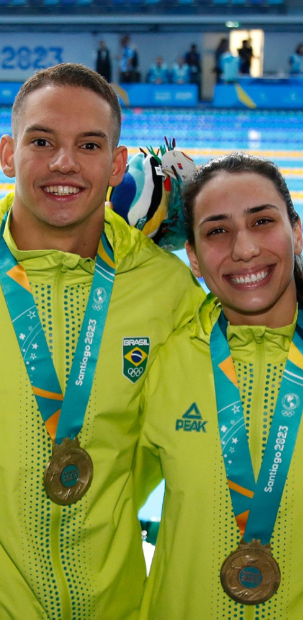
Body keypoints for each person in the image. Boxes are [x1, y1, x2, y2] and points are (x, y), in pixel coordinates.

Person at [0, 63, 204, 619]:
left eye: (88, 145)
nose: (64, 163)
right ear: (8, 153)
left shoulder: (168, 290)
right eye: (42, 141)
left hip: (113, 605)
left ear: (116, 164)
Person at [135, 152, 303, 619]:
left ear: (297, 231)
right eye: (217, 231)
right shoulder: (164, 364)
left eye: (262, 221)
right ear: (192, 256)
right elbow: (103, 504)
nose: (244, 249)